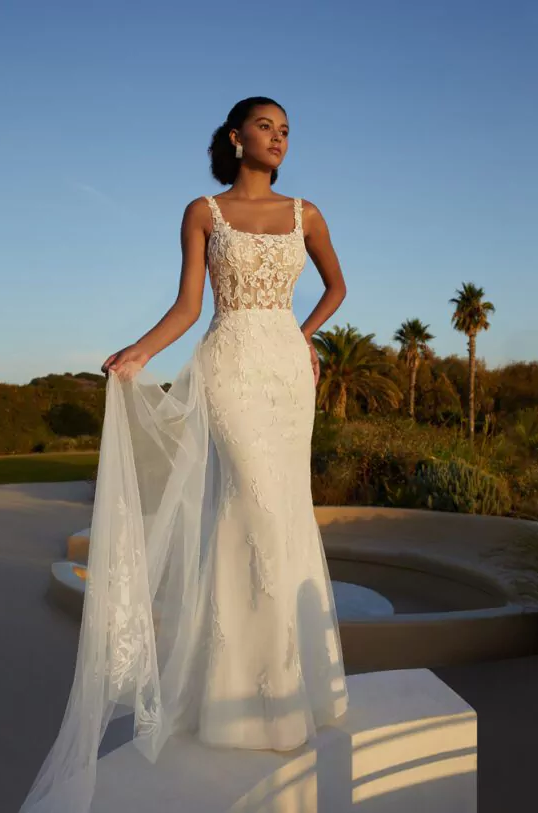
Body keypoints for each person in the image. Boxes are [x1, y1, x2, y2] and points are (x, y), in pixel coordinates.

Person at [18, 95, 349, 813]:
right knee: (250, 510)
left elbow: (336, 285)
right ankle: (242, 700)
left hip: (288, 375)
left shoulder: (308, 214)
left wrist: (307, 334)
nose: (279, 138)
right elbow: (189, 305)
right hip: (228, 363)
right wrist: (140, 350)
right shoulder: (203, 210)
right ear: (236, 137)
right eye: (266, 126)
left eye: (287, 130)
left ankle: (291, 690)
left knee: (285, 513)